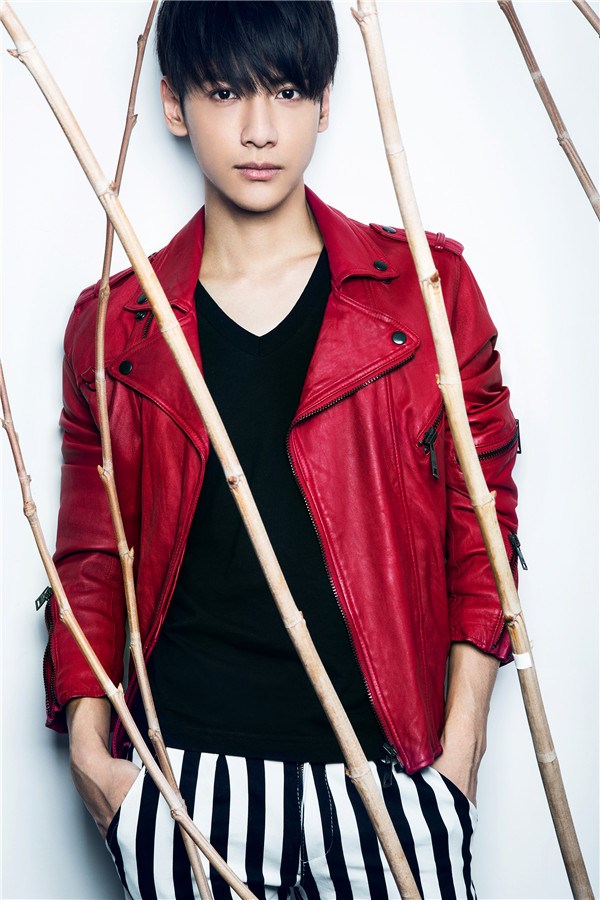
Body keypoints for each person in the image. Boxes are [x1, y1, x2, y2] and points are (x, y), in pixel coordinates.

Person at [43, 2, 520, 897]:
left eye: (289, 91)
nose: (260, 129)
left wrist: (460, 754)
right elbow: (92, 558)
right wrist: (91, 755)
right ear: (175, 104)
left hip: (391, 777)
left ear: (327, 102)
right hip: (186, 785)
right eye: (227, 93)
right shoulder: (115, 328)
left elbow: (483, 525)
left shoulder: (426, 292)